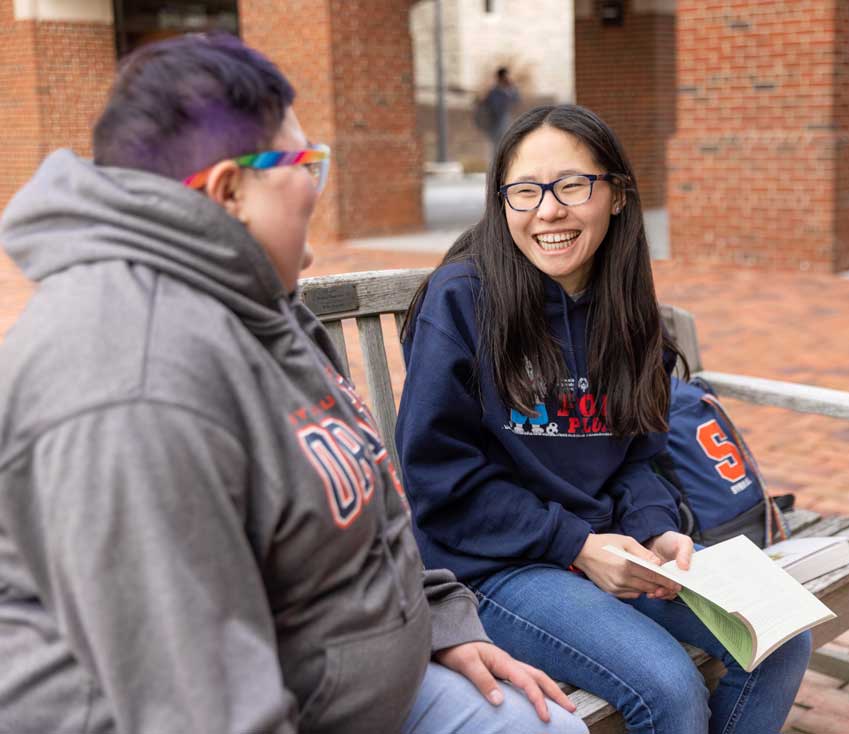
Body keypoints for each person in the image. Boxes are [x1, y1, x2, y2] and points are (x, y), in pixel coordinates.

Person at [0, 33, 585, 734]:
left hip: (360, 678)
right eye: (306, 163)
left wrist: (445, 624)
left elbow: (369, 506)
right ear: (229, 191)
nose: (318, 182)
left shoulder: (257, 304)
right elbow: (196, 705)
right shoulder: (132, 383)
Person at [395, 104, 812, 734]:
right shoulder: (463, 300)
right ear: (500, 200)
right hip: (495, 566)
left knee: (780, 640)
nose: (548, 211)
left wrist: (657, 529)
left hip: (611, 548)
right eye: (524, 191)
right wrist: (576, 545)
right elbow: (438, 481)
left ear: (616, 195)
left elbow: (642, 453)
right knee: (669, 688)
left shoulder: (627, 305)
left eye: (571, 186)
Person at [476, 66, 520, 151]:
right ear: (501, 77)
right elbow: (496, 108)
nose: (508, 79)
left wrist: (510, 89)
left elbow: (517, 100)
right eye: (506, 77)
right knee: (495, 151)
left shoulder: (511, 90)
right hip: (495, 128)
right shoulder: (493, 92)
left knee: (507, 150)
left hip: (507, 126)